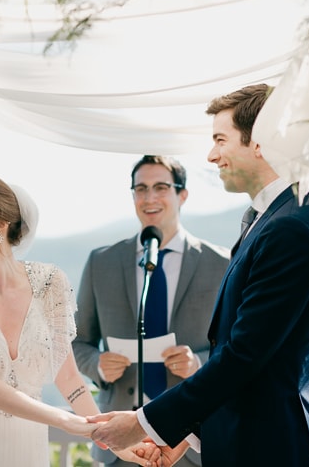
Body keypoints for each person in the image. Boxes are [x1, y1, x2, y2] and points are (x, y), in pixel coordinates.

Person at [88, 84, 309, 467]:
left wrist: (143, 423)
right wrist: (187, 433)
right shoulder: (271, 219)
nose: (211, 155)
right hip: (248, 439)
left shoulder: (291, 229)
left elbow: (243, 355)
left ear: (260, 142)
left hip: (274, 447)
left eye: (221, 140)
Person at [0, 176, 158, 466]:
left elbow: (69, 377)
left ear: (0, 223)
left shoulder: (49, 283)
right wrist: (64, 420)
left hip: (25, 441)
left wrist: (110, 439)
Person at [73, 155, 230, 467]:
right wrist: (98, 365)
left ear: (181, 195)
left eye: (161, 187)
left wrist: (198, 363)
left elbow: (236, 347)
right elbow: (77, 341)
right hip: (120, 444)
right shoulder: (101, 262)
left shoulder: (221, 263)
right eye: (140, 189)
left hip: (192, 440)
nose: (149, 198)